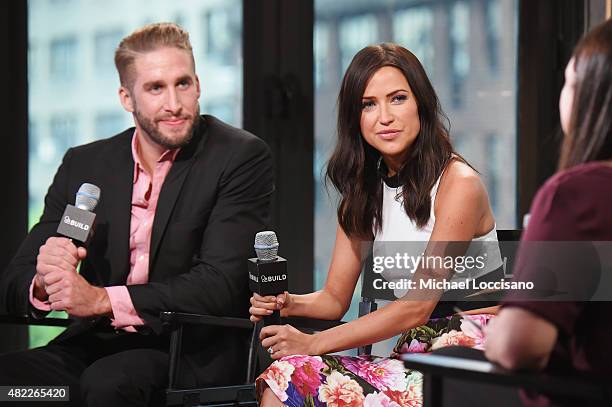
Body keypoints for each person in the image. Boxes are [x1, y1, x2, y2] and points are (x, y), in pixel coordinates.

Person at [0, 22, 274, 406]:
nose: (174, 104)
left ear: (198, 85)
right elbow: (13, 282)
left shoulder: (239, 155)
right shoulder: (84, 164)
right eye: (155, 88)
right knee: (12, 388)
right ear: (126, 98)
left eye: (183, 84)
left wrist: (100, 300)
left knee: (107, 385)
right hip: (97, 344)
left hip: (191, 349)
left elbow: (219, 284)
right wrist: (47, 283)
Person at [250, 43, 503, 406]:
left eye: (397, 98)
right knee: (284, 376)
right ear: (355, 118)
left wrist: (314, 342)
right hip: (415, 351)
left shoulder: (458, 183)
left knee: (297, 367)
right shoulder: (363, 192)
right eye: (368, 104)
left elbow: (418, 306)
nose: (384, 116)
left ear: (421, 105)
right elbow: (334, 300)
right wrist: (288, 303)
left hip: (473, 353)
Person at [484, 19, 612, 407]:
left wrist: (500, 328)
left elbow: (519, 346)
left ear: (592, 97)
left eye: (569, 82)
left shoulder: (578, 196)